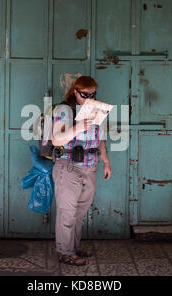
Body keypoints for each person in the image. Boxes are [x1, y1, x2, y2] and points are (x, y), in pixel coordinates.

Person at [51, 75, 111, 266]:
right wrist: (77, 128)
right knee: (67, 212)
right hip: (68, 166)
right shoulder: (64, 110)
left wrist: (106, 162)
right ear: (75, 92)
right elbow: (56, 140)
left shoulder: (95, 111)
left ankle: (74, 248)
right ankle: (65, 252)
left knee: (79, 213)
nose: (90, 98)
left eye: (93, 94)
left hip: (90, 166)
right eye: (85, 94)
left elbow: (99, 139)